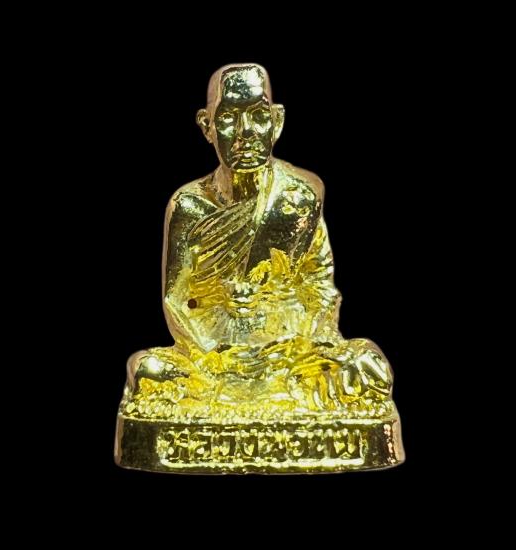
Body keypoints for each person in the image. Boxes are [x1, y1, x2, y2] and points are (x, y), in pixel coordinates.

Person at [126, 64, 392, 413]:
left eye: (258, 116)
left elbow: (319, 287)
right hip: (213, 354)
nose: (245, 133)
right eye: (228, 118)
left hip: (286, 350)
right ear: (207, 126)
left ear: (277, 121)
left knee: (369, 366)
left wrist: (294, 332)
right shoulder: (189, 205)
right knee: (145, 370)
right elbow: (176, 300)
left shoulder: (299, 196)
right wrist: (213, 352)